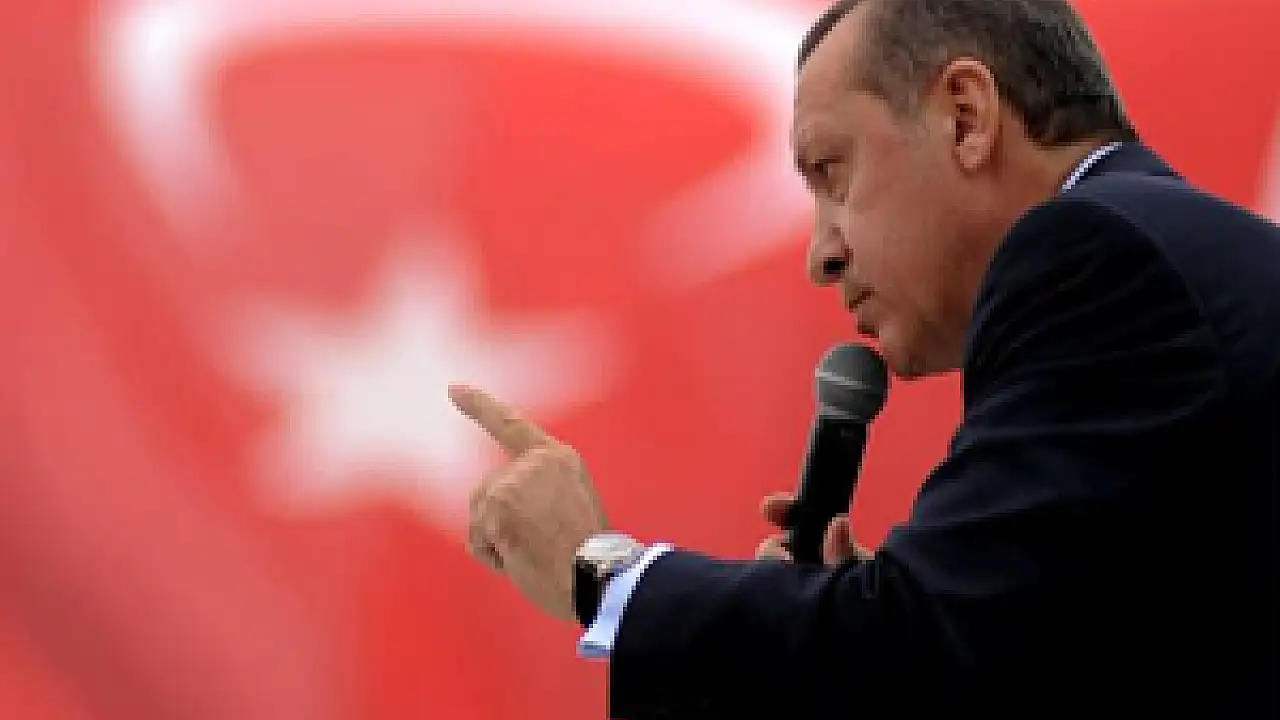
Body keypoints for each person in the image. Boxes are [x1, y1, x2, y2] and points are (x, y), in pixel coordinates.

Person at [449, 0, 1280, 717]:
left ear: (965, 117)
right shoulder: (1154, 255)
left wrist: (602, 575)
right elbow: (983, 664)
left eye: (831, 172)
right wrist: (839, 627)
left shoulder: (1097, 258)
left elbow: (924, 644)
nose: (822, 254)